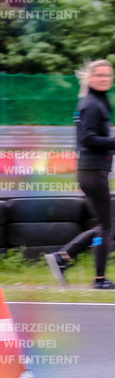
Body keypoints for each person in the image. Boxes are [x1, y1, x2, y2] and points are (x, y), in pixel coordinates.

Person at [46, 59, 115, 289]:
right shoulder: (91, 104)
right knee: (106, 226)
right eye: (100, 75)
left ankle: (63, 257)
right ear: (91, 78)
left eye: (108, 75)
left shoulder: (97, 101)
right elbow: (87, 139)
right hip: (92, 172)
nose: (105, 79)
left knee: (103, 225)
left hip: (93, 171)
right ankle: (99, 279)